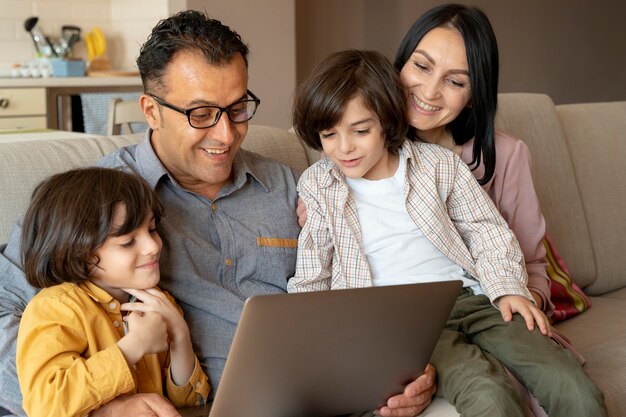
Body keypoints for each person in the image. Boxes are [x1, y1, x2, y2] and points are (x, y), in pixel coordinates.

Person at [0, 10, 436, 417]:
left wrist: (398, 367)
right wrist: (97, 408)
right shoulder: (95, 204)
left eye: (237, 109)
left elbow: (358, 284)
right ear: (151, 111)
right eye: (201, 114)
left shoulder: (292, 186)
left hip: (311, 398)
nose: (226, 135)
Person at [288, 49, 606, 417]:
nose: (343, 147)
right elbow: (312, 271)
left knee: (571, 384)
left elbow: (486, 230)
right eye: (329, 134)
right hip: (408, 325)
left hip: (474, 299)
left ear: (387, 121)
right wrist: (308, 342)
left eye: (361, 130)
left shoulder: (438, 165)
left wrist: (507, 288)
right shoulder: (318, 185)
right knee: (487, 394)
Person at [393, 3, 554, 315]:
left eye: (455, 81)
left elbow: (532, 264)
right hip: (404, 319)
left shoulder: (506, 154)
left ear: (473, 96)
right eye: (422, 67)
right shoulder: (360, 147)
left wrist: (525, 311)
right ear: (400, 64)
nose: (429, 91)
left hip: (487, 312)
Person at [16, 167, 210, 417]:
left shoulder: (156, 302)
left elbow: (191, 404)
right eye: (128, 241)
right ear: (81, 253)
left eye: (151, 229)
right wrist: (134, 346)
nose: (153, 246)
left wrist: (179, 334)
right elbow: (47, 404)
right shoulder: (57, 308)